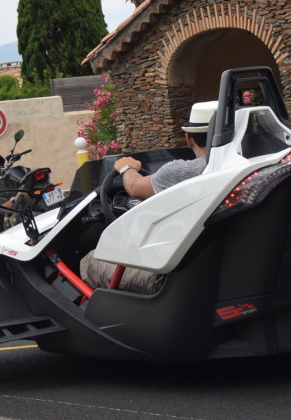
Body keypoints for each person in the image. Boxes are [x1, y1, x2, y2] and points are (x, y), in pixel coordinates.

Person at [80, 101, 216, 291]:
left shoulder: (179, 172)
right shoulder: (240, 167)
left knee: (90, 261)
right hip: (215, 267)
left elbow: (135, 187)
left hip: (174, 274)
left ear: (189, 139)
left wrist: (126, 168)